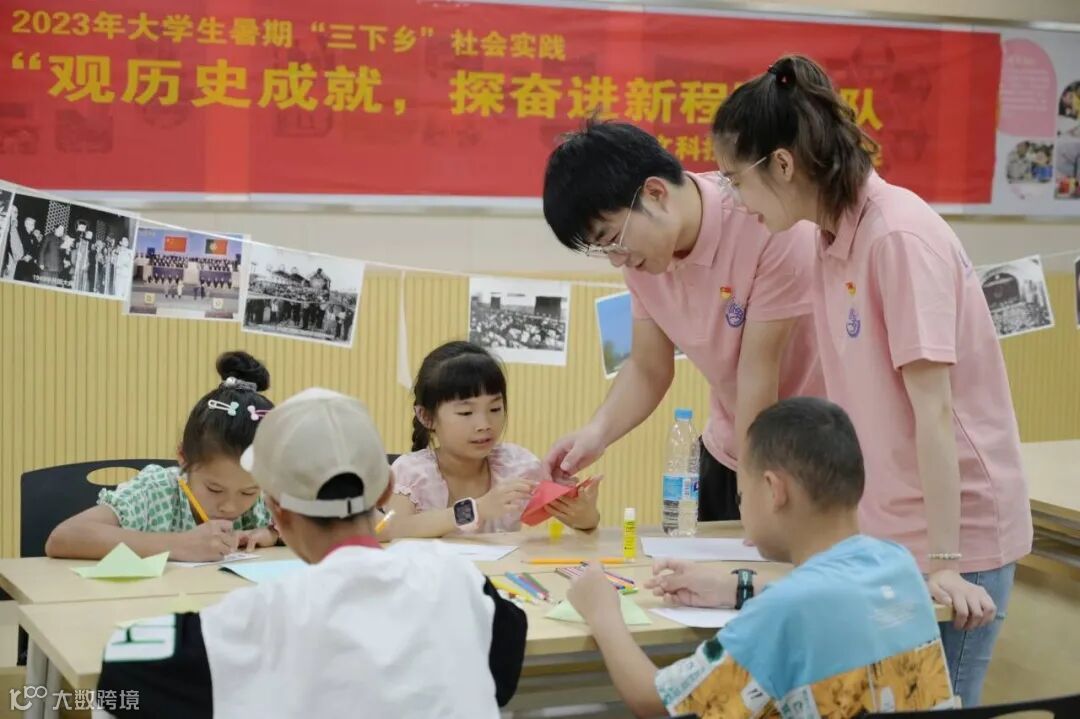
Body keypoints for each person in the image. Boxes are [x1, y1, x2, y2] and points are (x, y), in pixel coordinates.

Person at [710, 54, 1032, 706]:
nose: (736, 202)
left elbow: (933, 412)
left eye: (735, 181)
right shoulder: (828, 239)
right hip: (891, 536)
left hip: (956, 543)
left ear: (782, 165)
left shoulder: (897, 237)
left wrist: (946, 562)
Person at [95, 387, 527, 718]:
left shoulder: (255, 619)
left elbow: (119, 673)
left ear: (275, 510)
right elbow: (501, 680)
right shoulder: (459, 581)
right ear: (386, 490)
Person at [566, 397, 958, 718]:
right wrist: (737, 586)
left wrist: (602, 611)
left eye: (741, 494)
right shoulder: (898, 564)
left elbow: (655, 702)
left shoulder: (781, 613)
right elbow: (831, 596)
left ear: (773, 490)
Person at [541, 120, 823, 520]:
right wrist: (596, 433)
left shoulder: (764, 220)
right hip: (729, 449)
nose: (617, 260)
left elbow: (758, 374)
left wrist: (755, 488)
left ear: (655, 193)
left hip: (811, 456)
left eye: (611, 239)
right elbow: (648, 368)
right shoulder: (643, 260)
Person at [45, 351, 278, 561]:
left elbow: (299, 524)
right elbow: (63, 538)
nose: (230, 507)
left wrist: (272, 533)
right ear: (184, 458)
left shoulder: (262, 494)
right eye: (214, 489)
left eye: (248, 492)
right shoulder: (157, 491)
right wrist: (179, 545)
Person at [384, 341, 601, 538]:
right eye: (466, 413)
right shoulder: (411, 473)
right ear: (426, 416)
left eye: (495, 408)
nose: (484, 424)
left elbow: (585, 524)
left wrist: (584, 514)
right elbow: (392, 529)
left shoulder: (515, 465)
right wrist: (476, 509)